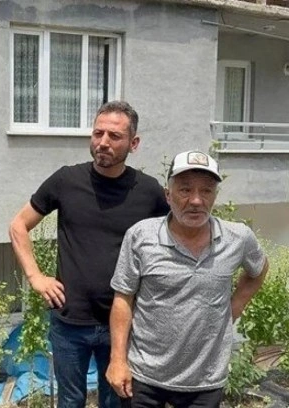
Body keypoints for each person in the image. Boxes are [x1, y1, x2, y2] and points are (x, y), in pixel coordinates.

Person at [9, 101, 170, 408]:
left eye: (114, 136)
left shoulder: (148, 191)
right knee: (70, 401)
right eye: (98, 133)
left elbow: (174, 238)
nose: (103, 142)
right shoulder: (66, 181)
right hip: (69, 321)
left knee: (116, 402)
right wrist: (35, 277)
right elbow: (18, 225)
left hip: (121, 325)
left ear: (133, 143)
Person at [107, 150, 268, 408]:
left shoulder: (237, 238)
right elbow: (123, 298)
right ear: (167, 195)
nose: (196, 200)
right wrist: (117, 360)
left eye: (206, 191)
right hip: (145, 376)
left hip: (205, 381)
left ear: (215, 196)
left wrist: (233, 308)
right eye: (185, 190)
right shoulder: (141, 236)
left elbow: (258, 270)